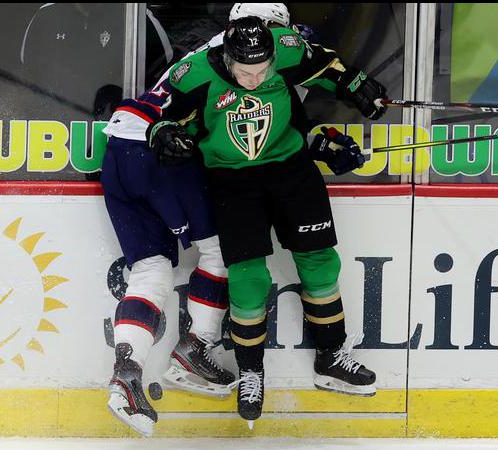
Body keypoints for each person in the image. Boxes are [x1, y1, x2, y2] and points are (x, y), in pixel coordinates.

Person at [148, 16, 388, 426]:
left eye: (263, 71)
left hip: (292, 171)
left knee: (319, 262)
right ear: (228, 58)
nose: (256, 80)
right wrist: (165, 136)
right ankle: (251, 372)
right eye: (246, 73)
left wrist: (357, 85)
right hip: (232, 182)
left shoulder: (287, 47)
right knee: (248, 278)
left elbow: (327, 68)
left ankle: (332, 356)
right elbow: (161, 118)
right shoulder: (195, 74)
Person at [101, 4, 293, 438]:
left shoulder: (214, 52)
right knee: (223, 249)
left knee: (150, 270)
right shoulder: (241, 63)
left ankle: (126, 376)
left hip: (120, 147)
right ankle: (195, 348)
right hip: (160, 152)